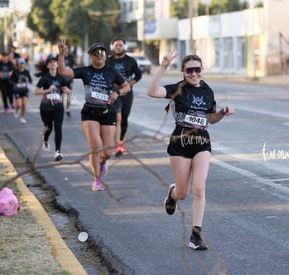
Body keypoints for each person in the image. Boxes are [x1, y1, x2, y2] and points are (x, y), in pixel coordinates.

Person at [146, 51, 234, 250]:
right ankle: (173, 194)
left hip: (202, 142)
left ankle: (196, 235)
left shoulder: (207, 91)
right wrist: (163, 67)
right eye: (190, 70)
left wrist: (222, 113)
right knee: (183, 192)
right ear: (183, 71)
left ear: (202, 70)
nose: (194, 74)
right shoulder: (178, 88)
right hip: (180, 144)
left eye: (197, 70)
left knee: (199, 188)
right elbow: (151, 91)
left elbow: (210, 119)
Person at [57, 39, 131, 191]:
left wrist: (117, 93)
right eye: (96, 53)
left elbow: (126, 86)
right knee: (95, 146)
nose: (99, 56)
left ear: (105, 55)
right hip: (90, 112)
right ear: (91, 56)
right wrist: (61, 55)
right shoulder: (85, 71)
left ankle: (103, 162)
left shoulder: (111, 71)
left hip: (108, 112)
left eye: (102, 53)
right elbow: (63, 71)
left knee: (108, 152)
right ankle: (97, 179)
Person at [107, 38, 142, 156]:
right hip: (113, 94)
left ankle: (119, 142)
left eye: (120, 45)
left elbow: (138, 75)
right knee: (116, 118)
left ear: (124, 47)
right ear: (112, 47)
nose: (118, 47)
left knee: (124, 119)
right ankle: (116, 144)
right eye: (116, 45)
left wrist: (128, 84)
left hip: (127, 94)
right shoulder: (108, 61)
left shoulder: (130, 60)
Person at [34, 54, 72, 161]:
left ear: (57, 65)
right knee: (48, 126)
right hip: (46, 105)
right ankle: (45, 139)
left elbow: (65, 89)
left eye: (54, 62)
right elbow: (36, 91)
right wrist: (47, 90)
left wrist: (68, 91)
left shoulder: (60, 77)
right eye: (50, 62)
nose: (53, 63)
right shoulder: (45, 78)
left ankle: (58, 152)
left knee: (58, 128)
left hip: (58, 105)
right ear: (47, 66)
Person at [11, 58, 33, 123]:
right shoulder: (15, 71)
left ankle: (22, 117)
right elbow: (11, 80)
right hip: (17, 90)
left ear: (24, 64)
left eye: (23, 63)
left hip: (24, 90)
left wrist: (27, 79)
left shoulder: (26, 72)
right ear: (18, 64)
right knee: (19, 105)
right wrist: (17, 81)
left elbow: (31, 81)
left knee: (24, 105)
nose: (21, 65)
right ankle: (16, 110)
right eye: (20, 63)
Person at [57, 46, 75, 117]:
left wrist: (72, 76)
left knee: (69, 94)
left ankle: (68, 109)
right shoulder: (58, 56)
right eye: (64, 48)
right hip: (60, 79)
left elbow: (73, 67)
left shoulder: (70, 57)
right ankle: (59, 107)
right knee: (60, 95)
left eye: (66, 48)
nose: (65, 50)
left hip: (69, 79)